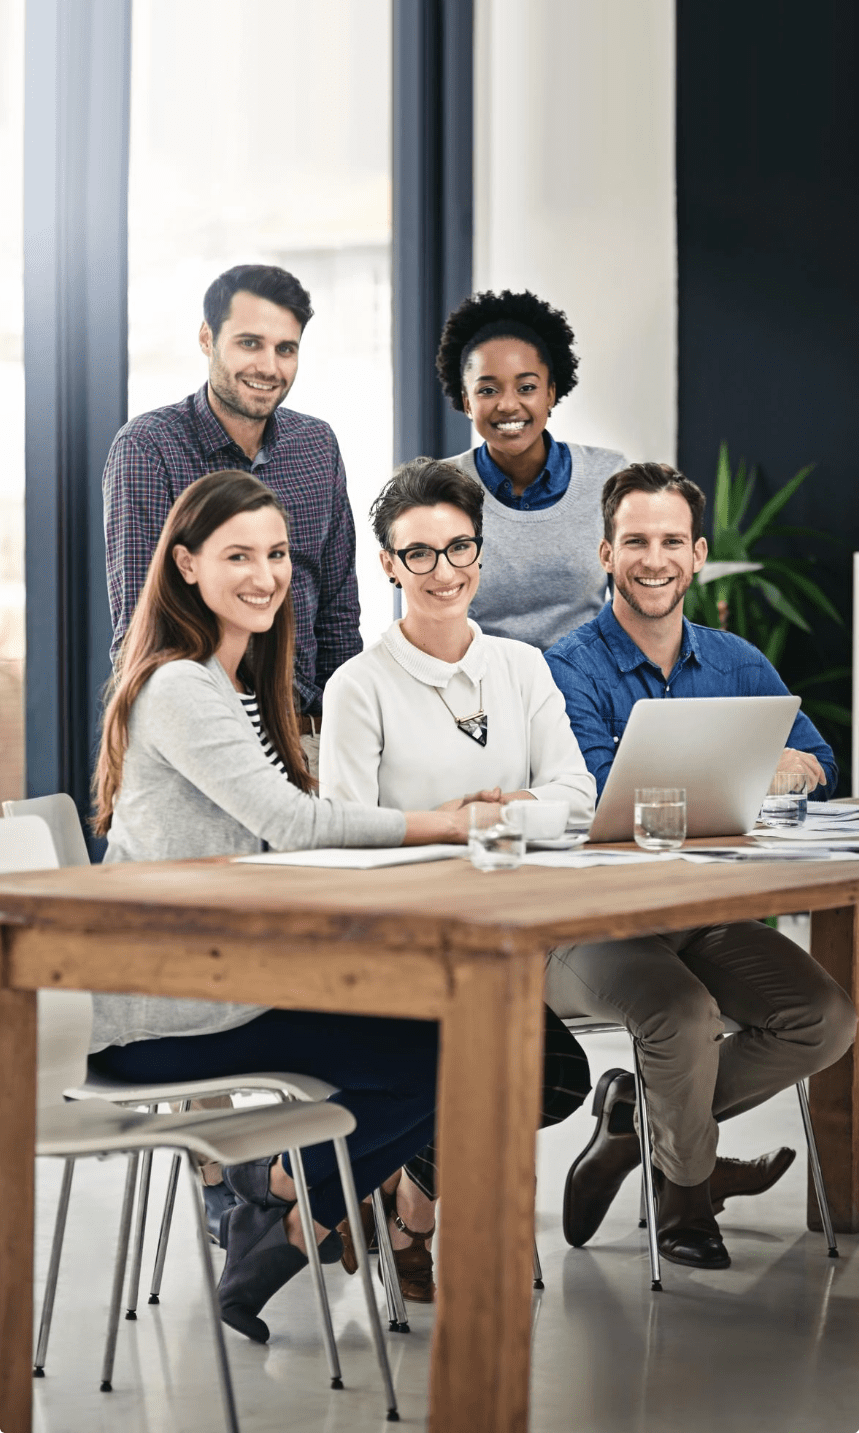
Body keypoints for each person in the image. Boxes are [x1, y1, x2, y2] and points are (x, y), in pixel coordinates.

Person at [90, 468, 468, 1343]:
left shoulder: (231, 685)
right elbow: (287, 821)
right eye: (237, 557)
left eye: (277, 554)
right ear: (184, 566)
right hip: (165, 1014)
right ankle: (288, 1206)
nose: (265, 575)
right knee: (443, 1045)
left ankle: (288, 1207)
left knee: (434, 1036)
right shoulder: (182, 686)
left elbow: (274, 836)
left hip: (224, 984)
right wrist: (440, 824)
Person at [542, 462, 857, 1268]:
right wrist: (749, 773)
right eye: (636, 541)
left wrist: (788, 768)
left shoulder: (735, 661)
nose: (655, 559)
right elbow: (599, 789)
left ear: (698, 554)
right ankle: (684, 1195)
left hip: (701, 917)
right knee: (678, 1017)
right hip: (589, 927)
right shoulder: (563, 668)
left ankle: (636, 1121)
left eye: (671, 541)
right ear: (605, 554)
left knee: (824, 1019)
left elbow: (818, 760)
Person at [319, 457, 598, 1298]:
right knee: (464, 1068)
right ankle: (410, 1220)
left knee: (557, 1080)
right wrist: (475, 816)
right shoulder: (358, 687)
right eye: (420, 554)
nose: (444, 572)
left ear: (481, 552)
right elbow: (344, 834)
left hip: (504, 941)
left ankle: (404, 1195)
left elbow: (576, 797)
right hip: (398, 946)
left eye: (459, 548)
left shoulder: (522, 668)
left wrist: (492, 816)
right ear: (388, 566)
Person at [103, 263, 360, 772]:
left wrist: (341, 737)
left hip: (307, 739)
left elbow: (337, 615)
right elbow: (141, 625)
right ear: (207, 338)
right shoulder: (150, 447)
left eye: (286, 349)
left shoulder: (317, 446)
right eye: (249, 343)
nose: (269, 365)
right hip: (202, 737)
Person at [436, 288, 624, 651]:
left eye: (526, 387)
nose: (508, 405)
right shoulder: (439, 487)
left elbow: (630, 609)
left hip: (584, 688)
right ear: (466, 401)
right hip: (479, 690)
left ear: (551, 393)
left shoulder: (609, 476)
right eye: (487, 390)